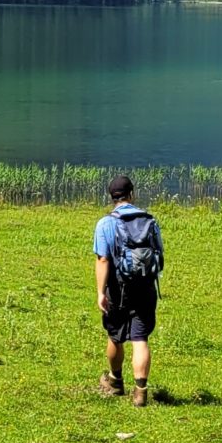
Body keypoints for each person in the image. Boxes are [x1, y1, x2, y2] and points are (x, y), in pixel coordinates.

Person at [93, 173, 164, 405]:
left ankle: (115, 381)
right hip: (145, 287)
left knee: (115, 337)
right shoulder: (150, 221)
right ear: (132, 194)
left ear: (112, 197)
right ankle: (141, 392)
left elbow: (103, 260)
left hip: (117, 289)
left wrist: (101, 293)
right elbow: (159, 255)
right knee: (140, 338)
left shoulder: (105, 223)